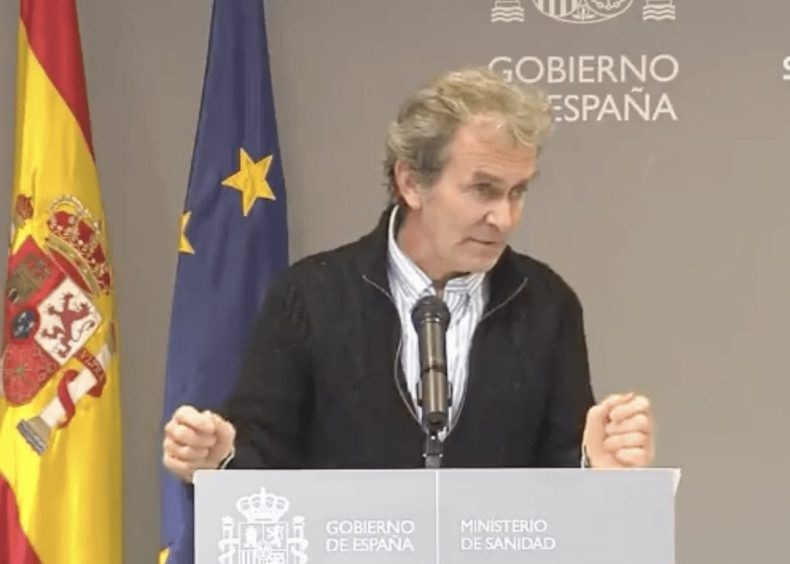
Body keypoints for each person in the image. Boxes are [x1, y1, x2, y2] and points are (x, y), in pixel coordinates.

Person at [162, 67, 654, 481]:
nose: (504, 218)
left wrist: (596, 469)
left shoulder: (545, 302)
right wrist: (219, 461)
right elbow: (262, 465)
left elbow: (560, 479)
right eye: (483, 189)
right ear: (412, 182)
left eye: (517, 192)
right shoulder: (311, 296)